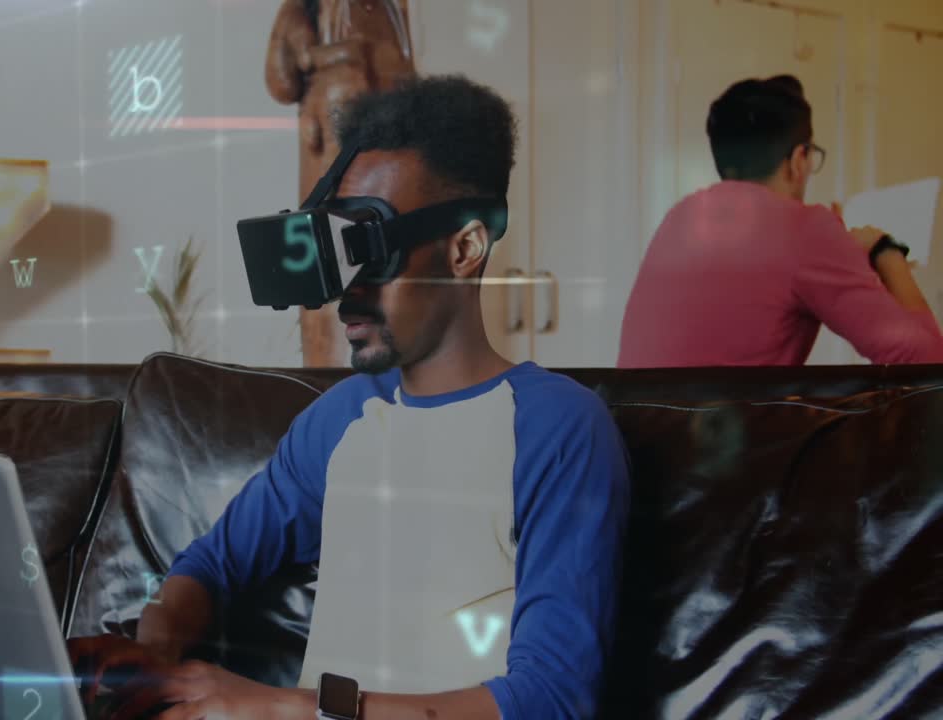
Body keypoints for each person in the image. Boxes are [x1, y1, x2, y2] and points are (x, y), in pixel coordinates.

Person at [68, 75, 631, 720]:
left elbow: (553, 700)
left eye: (374, 250)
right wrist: (157, 650)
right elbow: (212, 563)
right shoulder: (340, 419)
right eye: (340, 253)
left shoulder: (558, 427)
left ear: (465, 247)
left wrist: (285, 707)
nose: (348, 292)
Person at [618, 74, 943, 368]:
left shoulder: (679, 216)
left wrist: (831, 246)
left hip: (642, 431)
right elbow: (926, 363)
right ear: (799, 160)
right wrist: (885, 252)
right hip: (728, 433)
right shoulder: (805, 229)